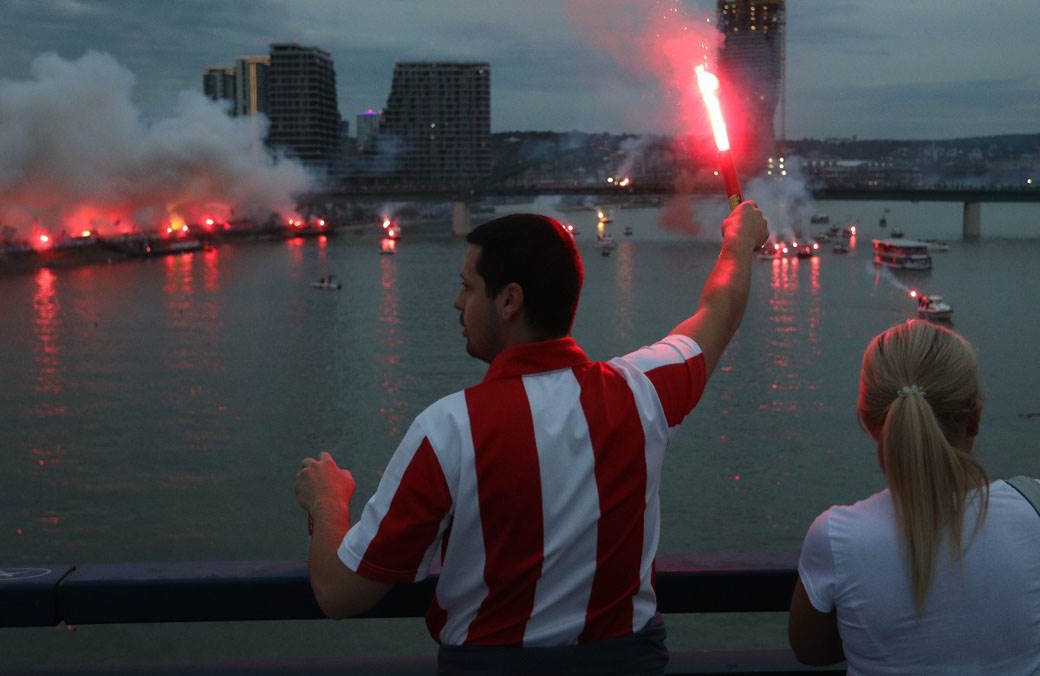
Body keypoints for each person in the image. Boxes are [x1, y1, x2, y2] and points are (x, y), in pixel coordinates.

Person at [295, 204, 768, 674]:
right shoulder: (641, 392)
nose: (457, 302)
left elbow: (339, 592)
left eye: (467, 287)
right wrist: (740, 238)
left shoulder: (447, 429)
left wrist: (327, 502)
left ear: (509, 301)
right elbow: (719, 312)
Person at [789, 319, 1040, 673]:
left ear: (869, 422)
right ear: (974, 418)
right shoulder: (1033, 508)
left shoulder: (836, 537)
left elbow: (810, 650)